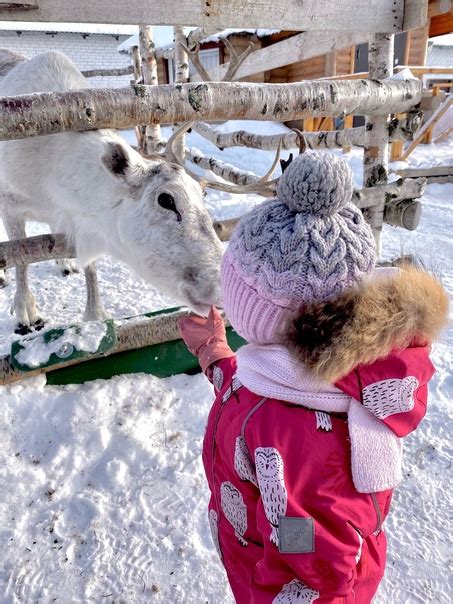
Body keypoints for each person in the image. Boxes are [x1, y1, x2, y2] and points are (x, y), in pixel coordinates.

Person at [178, 152, 448, 603]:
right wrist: (214, 354)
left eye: (236, 293)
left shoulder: (302, 438)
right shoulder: (297, 380)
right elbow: (253, 397)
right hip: (259, 558)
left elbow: (318, 570)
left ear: (269, 317)